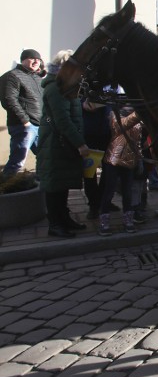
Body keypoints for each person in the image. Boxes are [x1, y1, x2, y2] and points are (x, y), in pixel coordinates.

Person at [35, 50, 89, 238]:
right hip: (55, 143)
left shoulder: (65, 85)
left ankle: (63, 219)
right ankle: (55, 224)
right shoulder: (56, 88)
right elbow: (63, 120)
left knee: (61, 184)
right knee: (54, 185)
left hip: (62, 143)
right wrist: (80, 143)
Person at [97, 106, 143, 236]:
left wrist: (139, 160)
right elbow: (121, 126)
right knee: (109, 191)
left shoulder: (138, 118)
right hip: (114, 159)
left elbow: (137, 141)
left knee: (127, 192)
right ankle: (104, 221)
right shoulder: (114, 114)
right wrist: (139, 113)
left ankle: (128, 220)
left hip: (129, 161)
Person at [1, 49, 44, 177]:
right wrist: (25, 120)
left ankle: (40, 186)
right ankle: (5, 190)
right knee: (17, 161)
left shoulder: (37, 77)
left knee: (44, 157)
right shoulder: (12, 76)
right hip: (24, 126)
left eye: (38, 59)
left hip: (39, 124)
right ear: (23, 60)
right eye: (32, 58)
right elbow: (8, 99)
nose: (36, 61)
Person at [81, 99, 111, 220]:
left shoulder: (112, 85)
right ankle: (93, 205)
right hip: (89, 133)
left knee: (109, 170)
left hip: (107, 133)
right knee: (89, 172)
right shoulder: (82, 84)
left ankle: (104, 200)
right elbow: (89, 105)